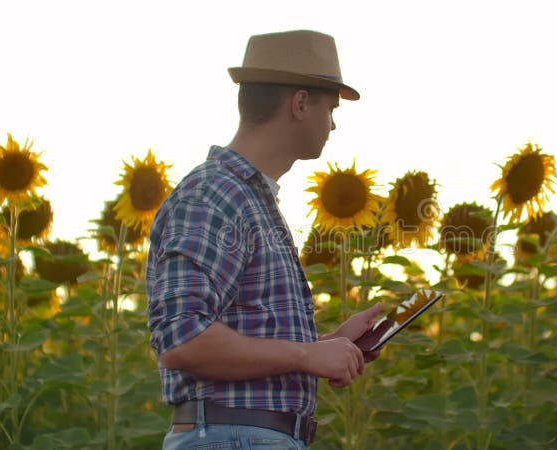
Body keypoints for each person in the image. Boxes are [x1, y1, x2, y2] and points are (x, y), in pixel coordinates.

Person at [146, 29, 383, 450]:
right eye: (330, 108)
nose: (333, 123)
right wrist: (306, 355)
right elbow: (182, 338)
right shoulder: (214, 194)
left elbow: (243, 336)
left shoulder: (249, 199)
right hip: (230, 437)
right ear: (300, 103)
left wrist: (329, 346)